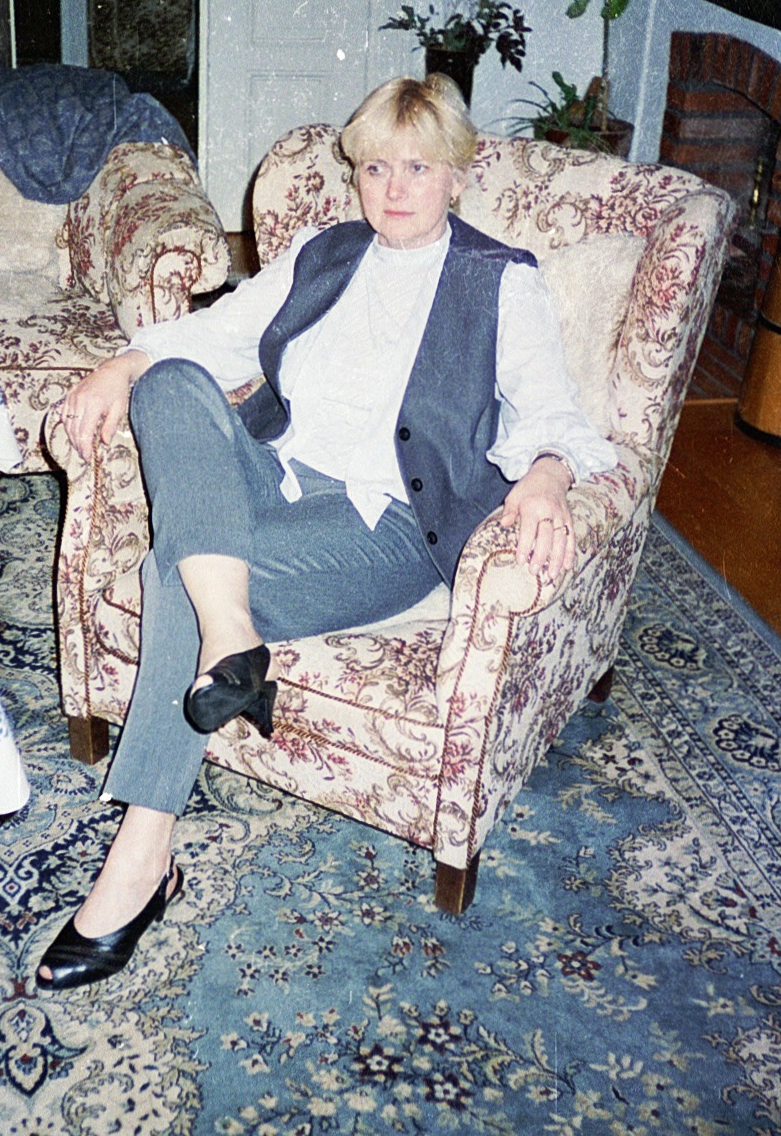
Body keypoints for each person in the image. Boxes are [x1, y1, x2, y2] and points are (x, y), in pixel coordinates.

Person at [37, 74, 616, 990]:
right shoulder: (325, 251)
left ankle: (141, 859)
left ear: (457, 176)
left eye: (418, 167)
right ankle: (234, 636)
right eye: (377, 165)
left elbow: (556, 412)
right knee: (168, 385)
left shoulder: (500, 282)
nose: (393, 187)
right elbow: (217, 338)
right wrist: (122, 364)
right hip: (271, 474)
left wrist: (546, 474)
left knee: (168, 575)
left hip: (383, 525)